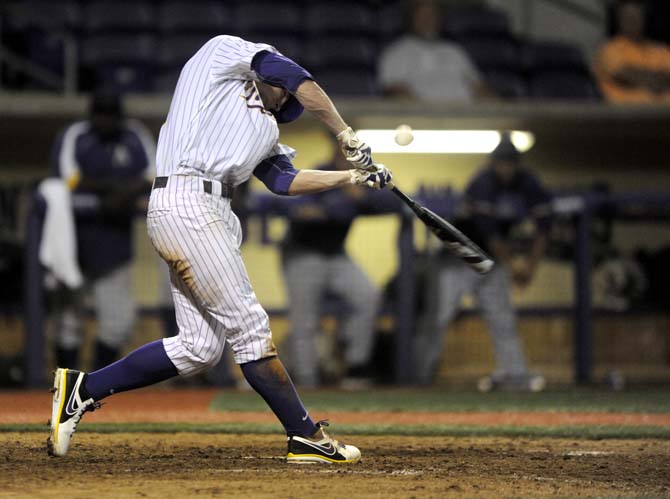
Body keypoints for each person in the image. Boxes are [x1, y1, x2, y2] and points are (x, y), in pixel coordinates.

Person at [48, 34, 392, 464]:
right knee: (250, 327)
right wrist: (344, 133)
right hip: (188, 198)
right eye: (281, 92)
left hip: (211, 209)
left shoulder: (265, 126)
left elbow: (284, 180)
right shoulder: (224, 58)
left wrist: (351, 177)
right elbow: (288, 72)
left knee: (199, 348)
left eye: (287, 102)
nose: (282, 98)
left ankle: (84, 390)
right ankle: (304, 435)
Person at [414, 138, 551, 392]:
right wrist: (516, 266)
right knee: (440, 317)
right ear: (493, 163)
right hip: (457, 257)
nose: (506, 169)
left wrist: (530, 266)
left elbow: (544, 228)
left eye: (510, 164)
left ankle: (516, 376)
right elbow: (491, 235)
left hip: (492, 261)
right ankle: (417, 378)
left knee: (502, 318)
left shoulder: (527, 182)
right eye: (502, 163)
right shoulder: (483, 182)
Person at [50, 90, 156, 371]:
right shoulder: (76, 135)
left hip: (115, 246)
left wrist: (123, 194)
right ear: (92, 114)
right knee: (68, 324)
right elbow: (68, 177)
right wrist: (113, 190)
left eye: (112, 116)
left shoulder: (134, 134)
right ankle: (63, 389)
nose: (106, 122)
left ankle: (93, 387)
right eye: (101, 115)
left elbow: (154, 173)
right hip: (73, 246)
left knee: (119, 322)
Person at [279, 145, 400, 389]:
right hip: (303, 254)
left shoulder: (358, 180)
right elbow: (296, 207)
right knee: (305, 319)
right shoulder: (320, 173)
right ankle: (306, 378)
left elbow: (393, 201)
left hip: (337, 256)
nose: (349, 162)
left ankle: (355, 366)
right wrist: (331, 206)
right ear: (334, 154)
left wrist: (361, 198)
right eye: (344, 156)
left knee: (367, 296)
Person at [378, 0, 489, 102]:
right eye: (422, 15)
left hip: (468, 116)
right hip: (423, 118)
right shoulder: (395, 52)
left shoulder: (455, 51)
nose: (428, 20)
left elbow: (479, 88)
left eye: (433, 15)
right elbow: (396, 92)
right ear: (411, 19)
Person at [594, 0, 670, 103]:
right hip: (624, 115)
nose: (632, 21)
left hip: (662, 113)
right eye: (627, 17)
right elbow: (625, 75)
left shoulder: (661, 49)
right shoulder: (609, 49)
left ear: (644, 17)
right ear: (619, 19)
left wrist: (643, 76)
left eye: (636, 16)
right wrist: (657, 78)